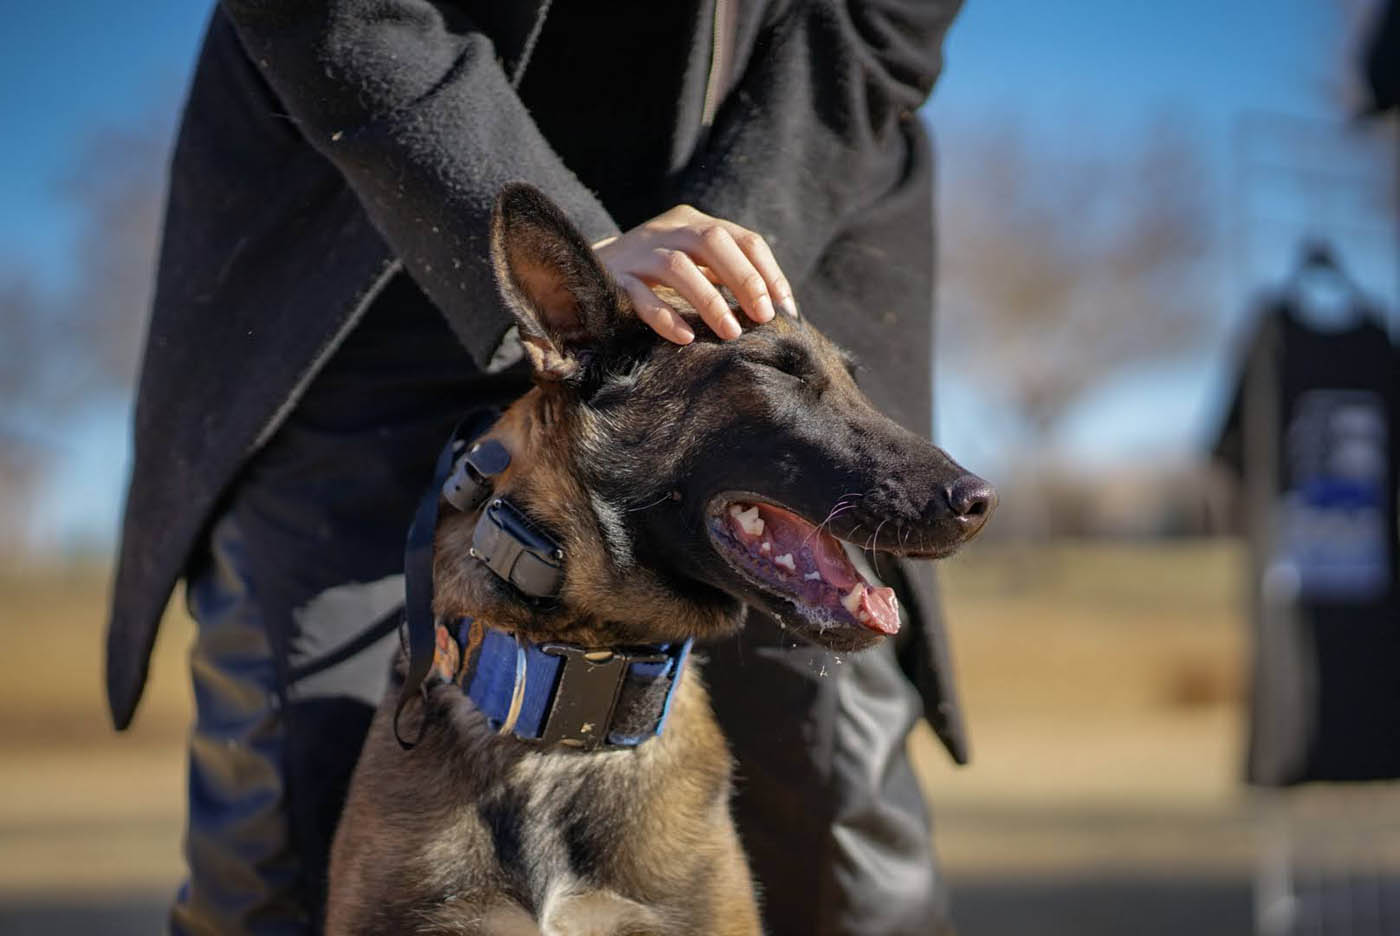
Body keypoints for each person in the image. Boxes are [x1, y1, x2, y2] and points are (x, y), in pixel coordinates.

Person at [105, 1, 968, 933]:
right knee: (279, 829)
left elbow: (882, 21)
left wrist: (720, 261)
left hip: (775, 208)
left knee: (841, 834)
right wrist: (555, 250)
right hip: (370, 214)